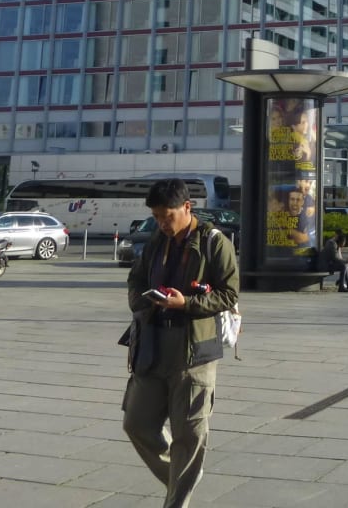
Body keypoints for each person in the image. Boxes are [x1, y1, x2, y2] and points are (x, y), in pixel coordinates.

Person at [124, 178, 238, 508]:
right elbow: (136, 278)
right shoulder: (157, 241)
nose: (162, 222)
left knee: (188, 434)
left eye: (167, 215)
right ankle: (181, 475)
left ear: (187, 207)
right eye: (156, 216)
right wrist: (140, 300)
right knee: (137, 424)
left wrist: (185, 303)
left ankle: (177, 498)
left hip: (194, 350)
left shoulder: (214, 242)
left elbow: (229, 294)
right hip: (152, 345)